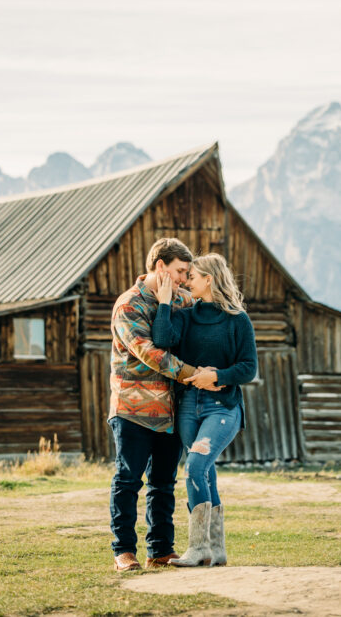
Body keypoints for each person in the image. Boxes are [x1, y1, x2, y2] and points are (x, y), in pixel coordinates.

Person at [152, 252, 258, 567]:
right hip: (188, 407)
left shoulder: (238, 319)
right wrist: (165, 303)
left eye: (193, 277)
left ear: (209, 279)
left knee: (195, 467)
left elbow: (248, 368)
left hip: (223, 408)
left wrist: (217, 376)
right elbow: (161, 339)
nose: (187, 281)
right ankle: (217, 548)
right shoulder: (186, 315)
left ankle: (198, 548)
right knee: (206, 472)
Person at [108, 237, 201, 572]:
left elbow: (203, 301)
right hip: (133, 409)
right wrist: (194, 374)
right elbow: (150, 353)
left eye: (187, 273)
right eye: (180, 271)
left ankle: (160, 549)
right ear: (160, 266)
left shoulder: (180, 298)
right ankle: (124, 551)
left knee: (163, 483)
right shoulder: (128, 305)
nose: (184, 279)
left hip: (170, 410)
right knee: (129, 480)